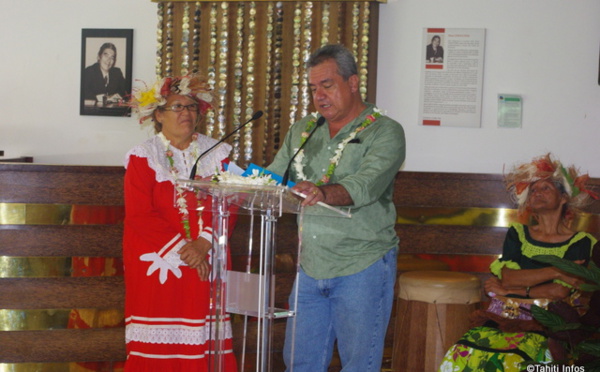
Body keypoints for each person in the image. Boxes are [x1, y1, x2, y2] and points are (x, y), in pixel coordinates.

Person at [267, 44, 406, 372]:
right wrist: (236, 183)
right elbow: (275, 177)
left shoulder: (385, 131)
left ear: (353, 82)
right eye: (313, 88)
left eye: (327, 85)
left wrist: (321, 191)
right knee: (299, 364)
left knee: (359, 365)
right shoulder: (303, 130)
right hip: (310, 266)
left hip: (363, 265)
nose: (319, 96)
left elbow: (365, 186)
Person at [439, 153, 598, 371]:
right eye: (533, 190)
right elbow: (508, 276)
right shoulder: (518, 233)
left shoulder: (581, 242)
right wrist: (556, 271)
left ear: (563, 199)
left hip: (549, 322)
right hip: (502, 313)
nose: (537, 193)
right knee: (464, 353)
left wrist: (514, 290)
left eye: (546, 188)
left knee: (517, 361)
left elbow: (559, 293)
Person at [123, 74, 237, 371]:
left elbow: (231, 200)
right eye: (177, 107)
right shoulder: (144, 156)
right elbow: (139, 214)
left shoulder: (218, 153)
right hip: (160, 261)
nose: (186, 113)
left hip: (207, 257)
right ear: (158, 115)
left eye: (191, 107)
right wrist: (186, 250)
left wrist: (203, 243)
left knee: (203, 341)